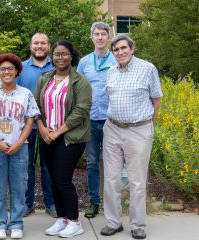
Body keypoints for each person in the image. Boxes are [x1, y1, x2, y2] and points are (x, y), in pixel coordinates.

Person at [101, 34, 162, 240]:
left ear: (132, 48)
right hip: (112, 129)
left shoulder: (147, 68)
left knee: (136, 181)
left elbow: (156, 99)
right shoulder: (111, 72)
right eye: (116, 49)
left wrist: (148, 128)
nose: (120, 52)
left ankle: (137, 224)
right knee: (111, 179)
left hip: (139, 130)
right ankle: (114, 222)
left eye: (123, 48)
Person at [0, 53, 40, 239]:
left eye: (10, 69)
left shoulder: (25, 94)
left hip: (19, 148)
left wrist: (19, 143)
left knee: (19, 187)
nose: (6, 72)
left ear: (17, 71)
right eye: (3, 69)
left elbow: (30, 121)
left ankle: (16, 224)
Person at [35, 40, 92, 238]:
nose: (60, 57)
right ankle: (62, 219)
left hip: (69, 137)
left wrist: (57, 132)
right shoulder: (45, 79)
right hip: (46, 136)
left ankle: (75, 222)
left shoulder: (80, 81)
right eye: (57, 54)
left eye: (64, 54)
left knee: (63, 179)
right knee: (52, 178)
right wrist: (42, 128)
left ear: (71, 56)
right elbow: (35, 106)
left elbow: (81, 111)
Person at [77, 22, 117, 218]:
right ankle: (94, 202)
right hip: (91, 119)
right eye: (96, 34)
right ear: (92, 37)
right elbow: (78, 89)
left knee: (112, 162)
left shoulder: (117, 60)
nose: (100, 37)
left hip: (112, 119)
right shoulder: (84, 62)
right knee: (92, 162)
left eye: (103, 34)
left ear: (108, 37)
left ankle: (112, 203)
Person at [16, 32, 56, 218]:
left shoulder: (57, 66)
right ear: (30, 45)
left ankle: (51, 203)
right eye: (36, 43)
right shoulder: (21, 68)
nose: (39, 46)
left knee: (49, 166)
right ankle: (27, 203)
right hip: (27, 127)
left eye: (43, 43)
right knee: (27, 166)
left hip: (51, 127)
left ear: (48, 45)